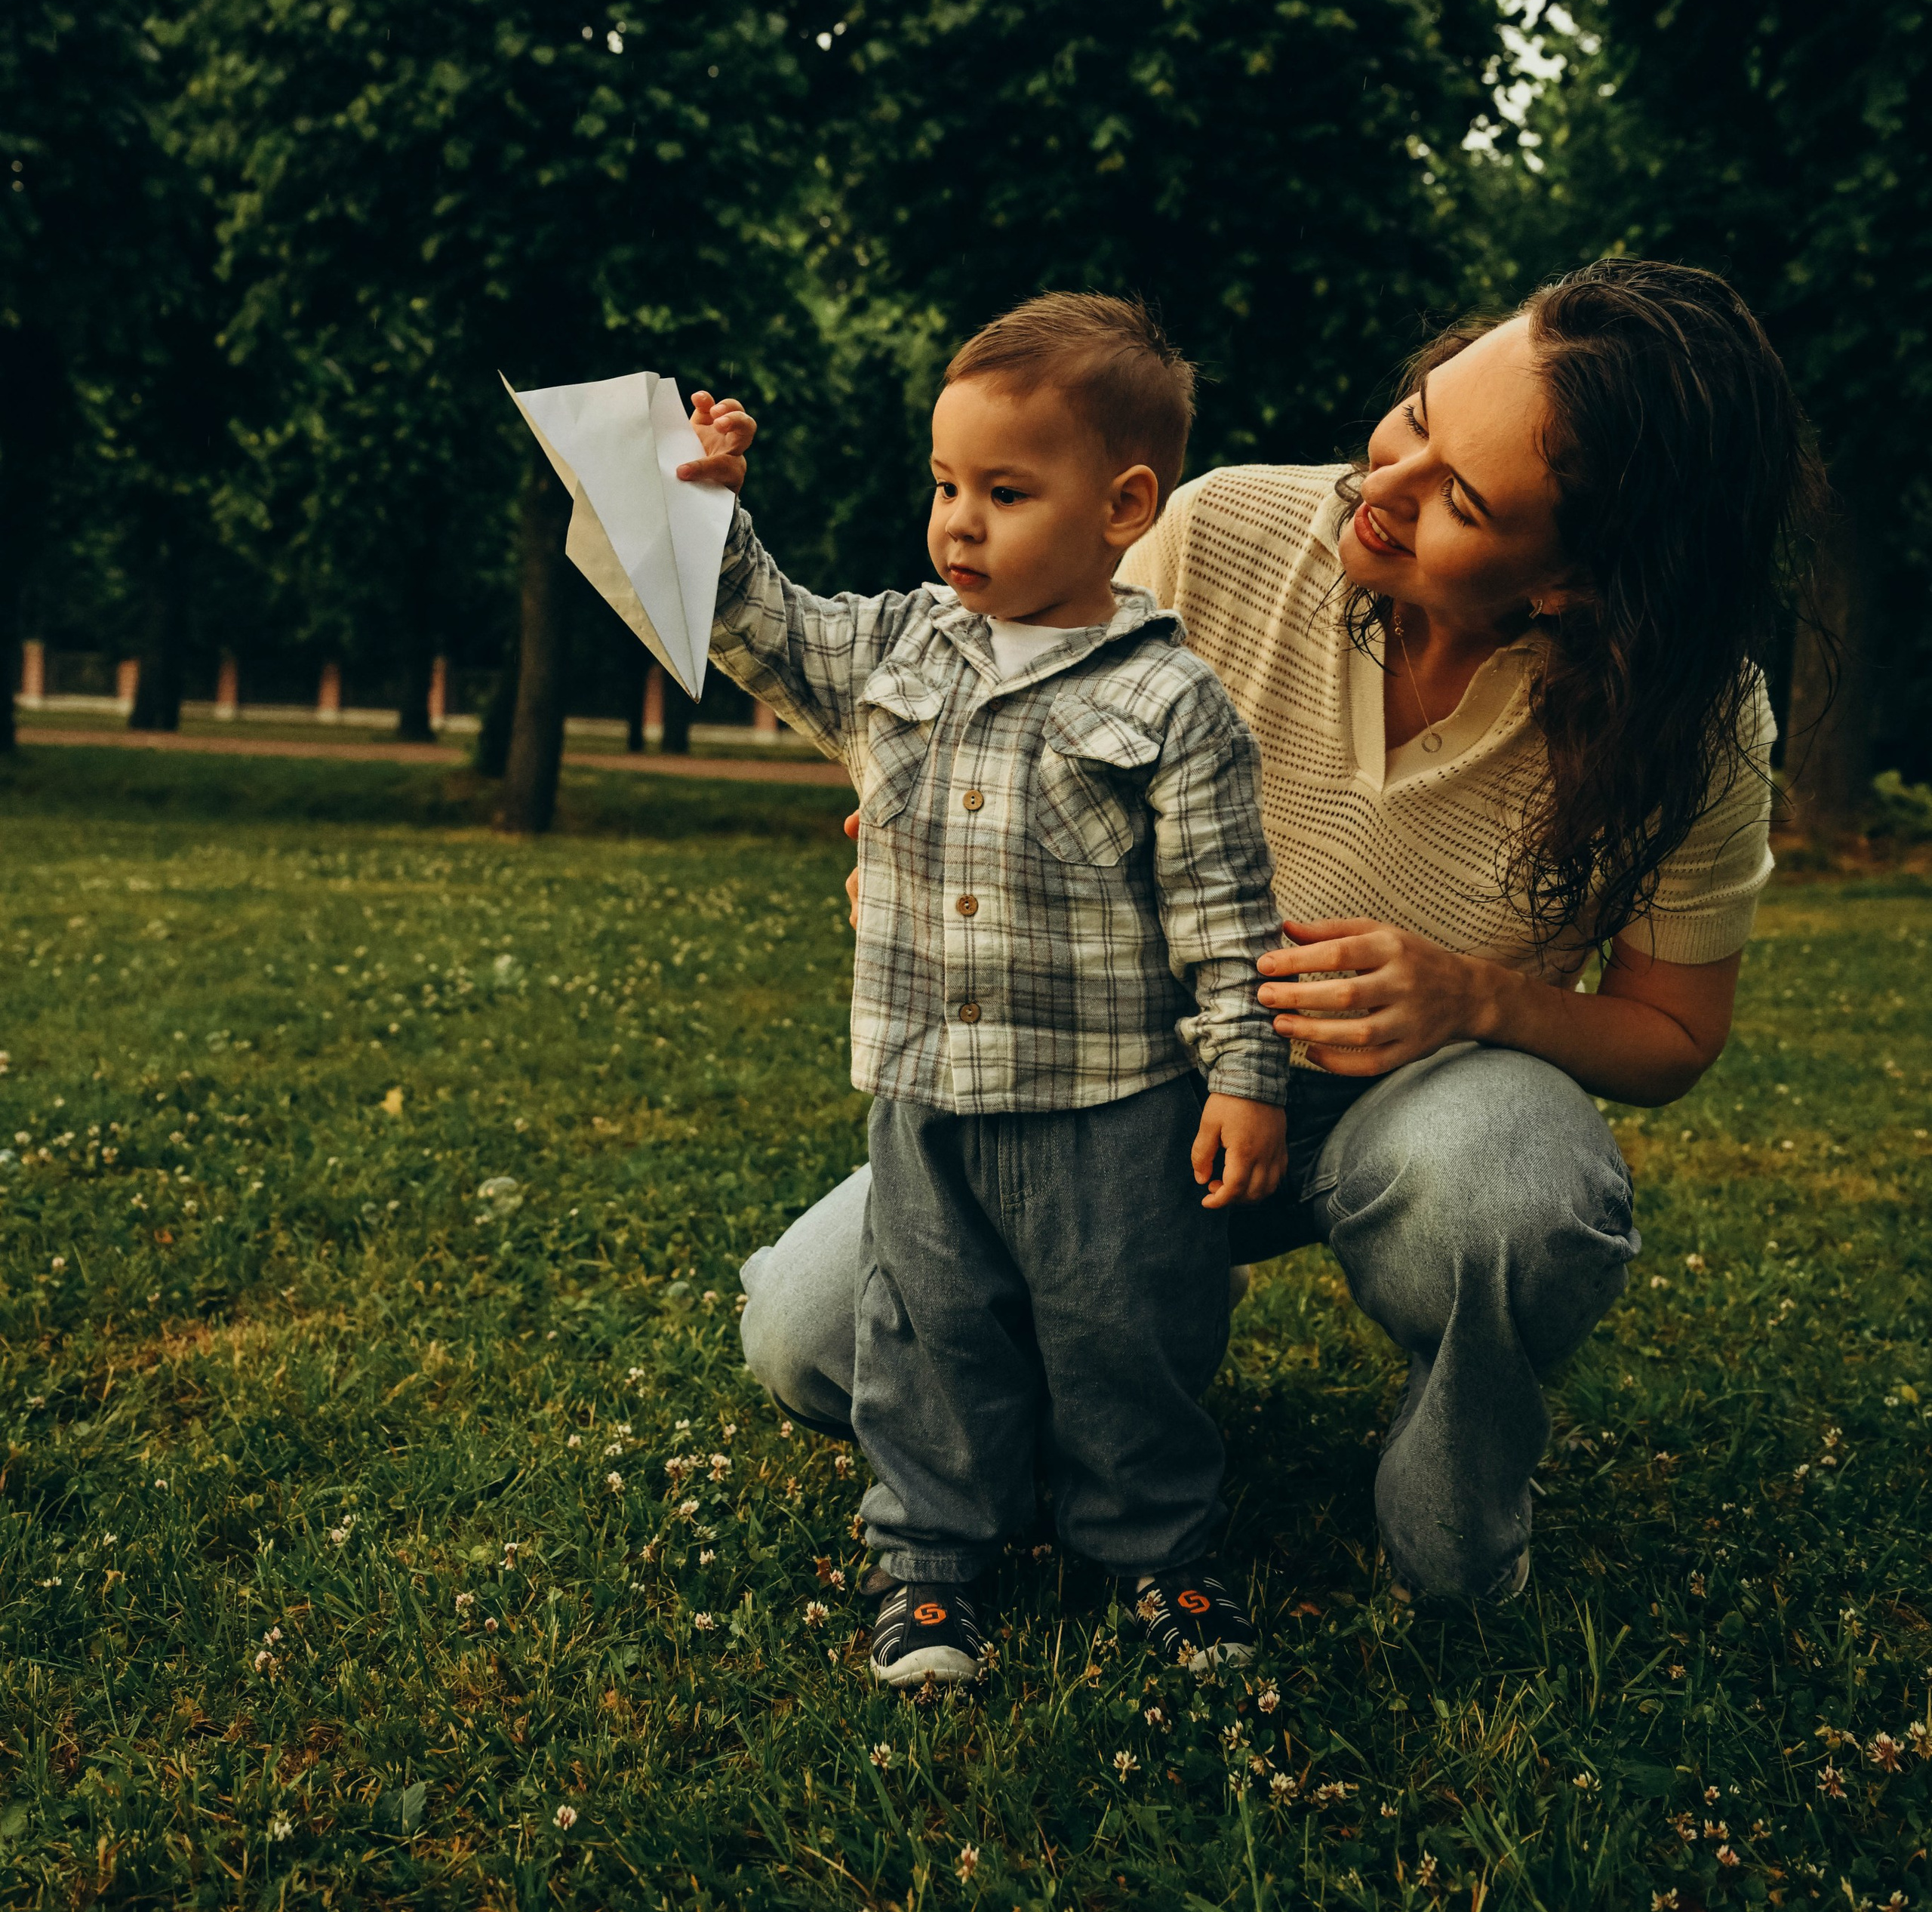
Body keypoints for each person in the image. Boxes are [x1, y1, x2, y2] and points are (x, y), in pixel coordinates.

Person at [739, 261, 1823, 1609]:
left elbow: (1673, 1036)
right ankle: (1085, 1414)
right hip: (1118, 1091)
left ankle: (1453, 1503)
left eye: (1461, 501)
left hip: (1410, 1114)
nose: (1385, 486)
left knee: (1511, 1197)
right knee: (805, 1339)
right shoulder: (1230, 528)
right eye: (1418, 418)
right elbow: (987, 690)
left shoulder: (1695, 720)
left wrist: (1474, 997)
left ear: (1575, 586)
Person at [681, 295, 1293, 1686]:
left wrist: (1249, 1077)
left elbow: (1222, 911)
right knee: (922, 1327)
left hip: (1108, 1102)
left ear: (1123, 504)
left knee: (1124, 1329)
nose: (958, 522)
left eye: (1005, 493)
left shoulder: (1176, 702)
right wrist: (716, 513)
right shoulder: (899, 648)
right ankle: (934, 1568)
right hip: (925, 1095)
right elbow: (760, 627)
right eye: (946, 485)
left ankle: (1155, 1552)